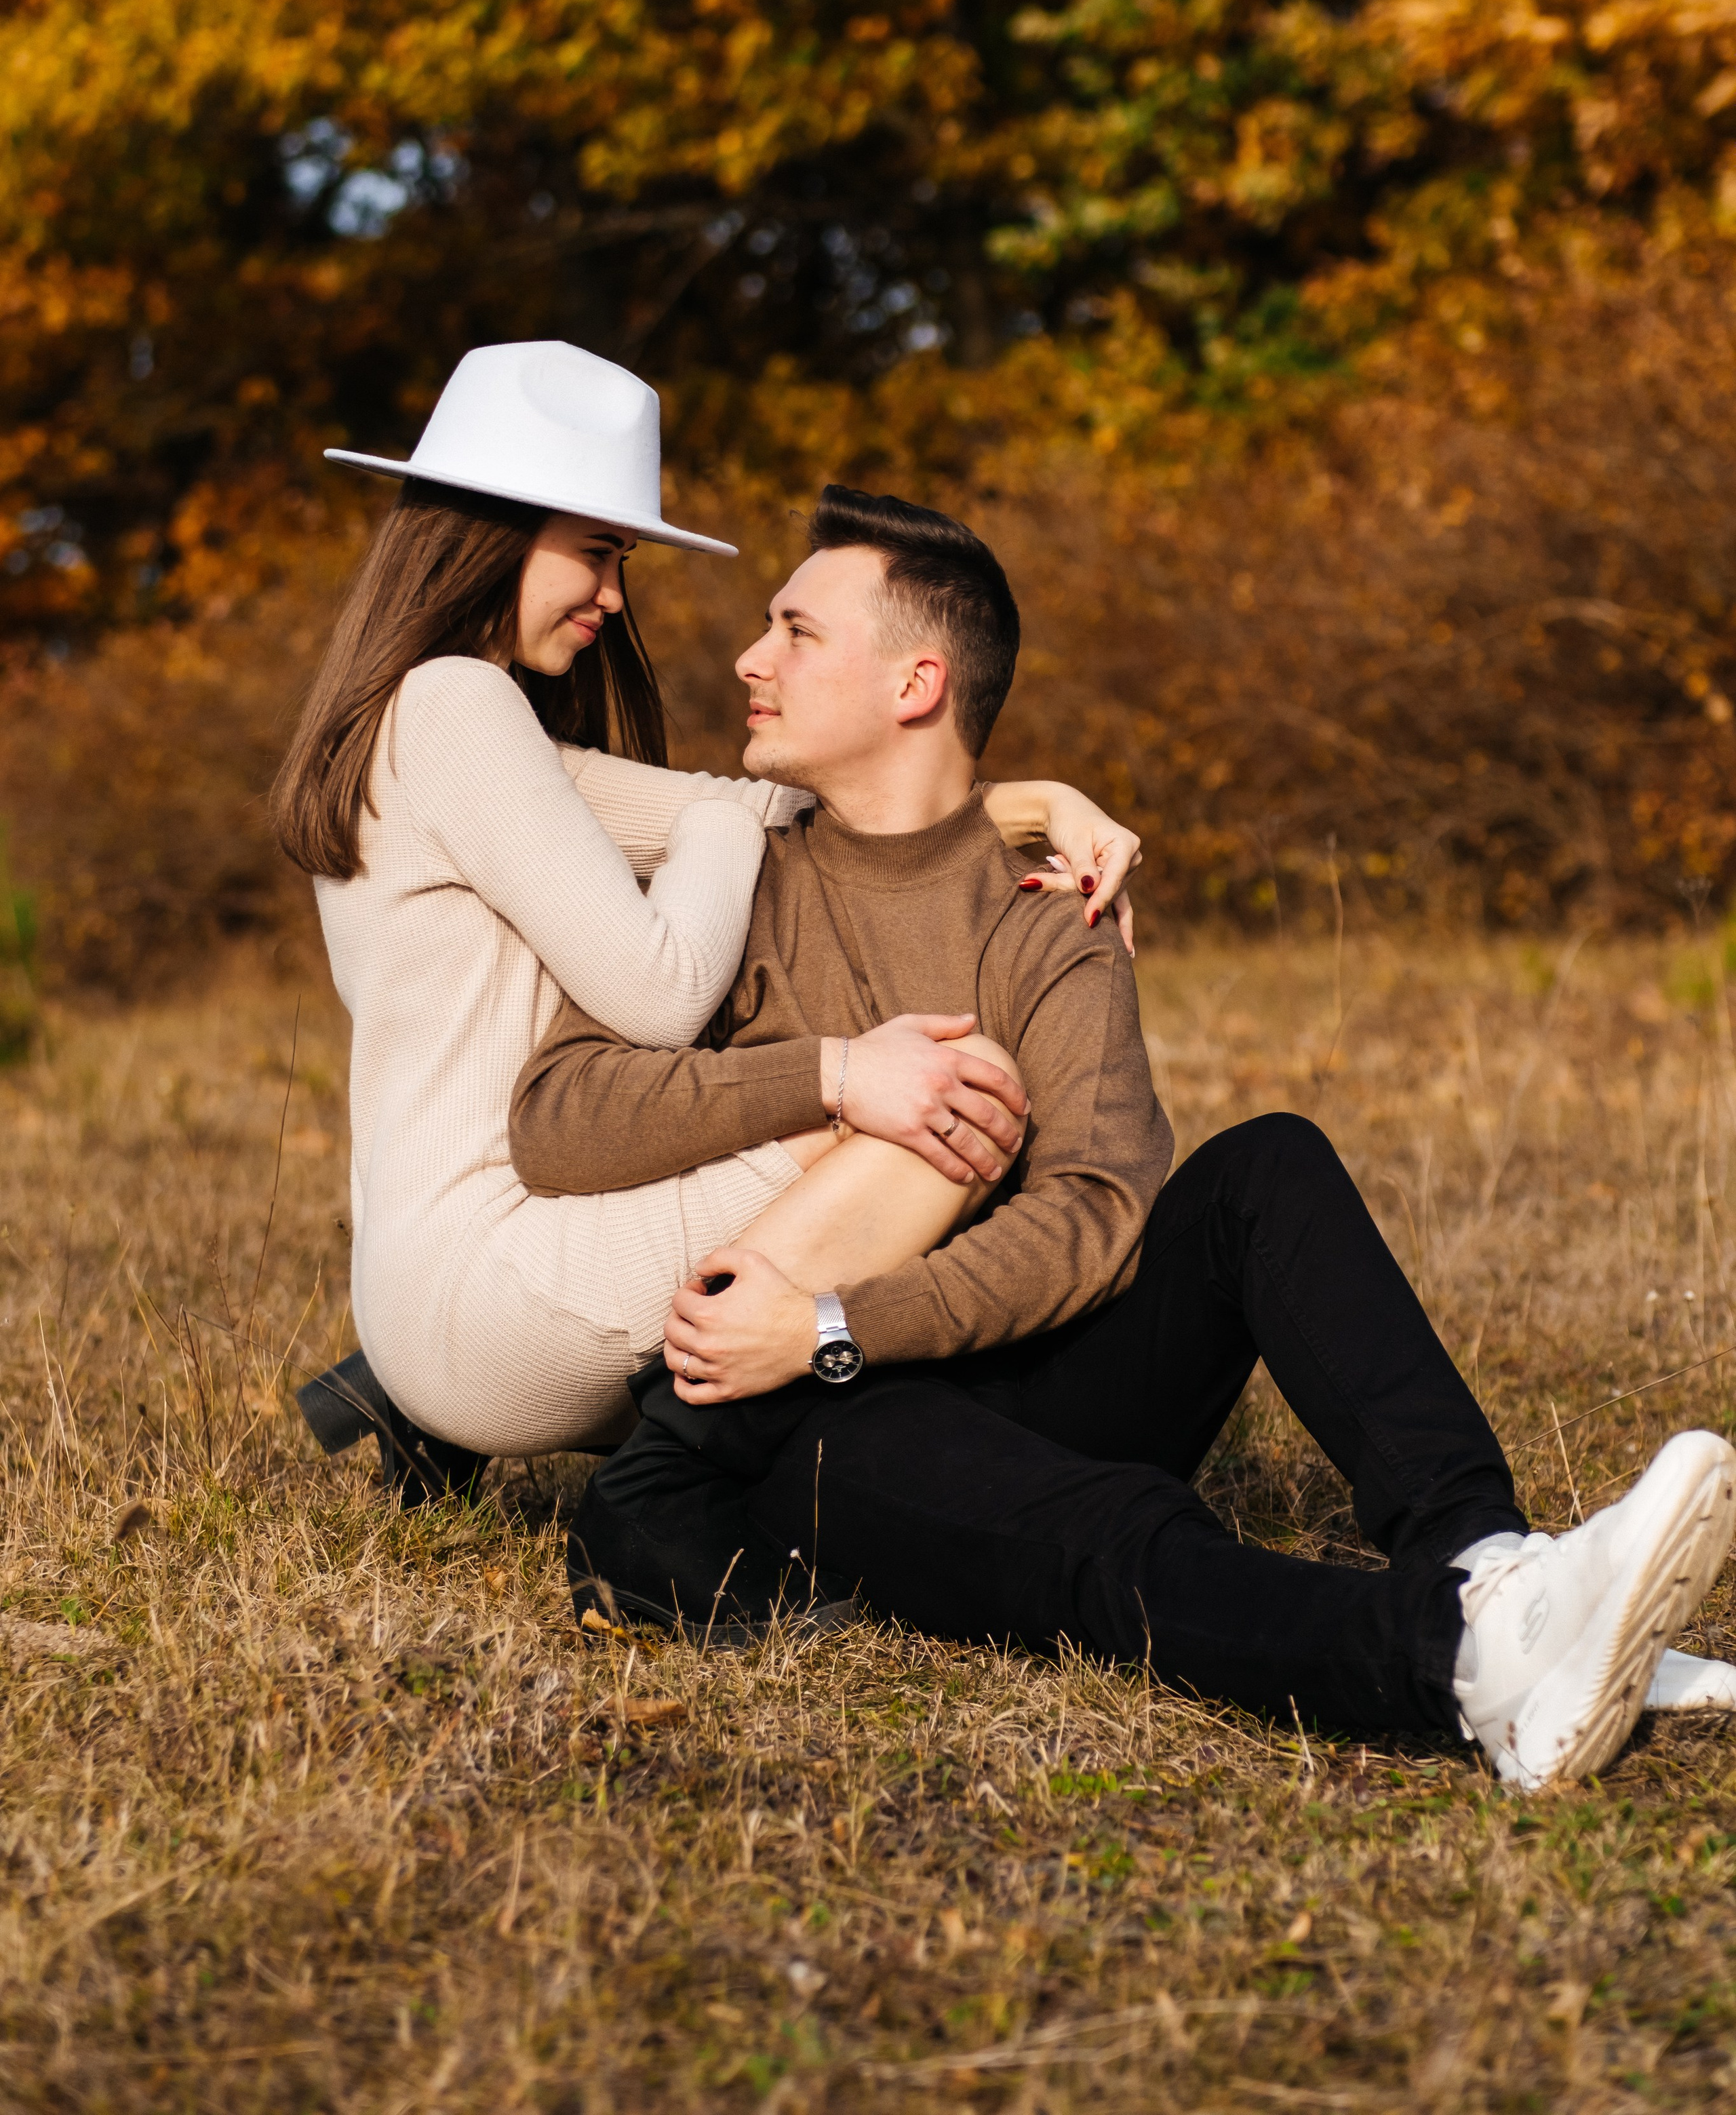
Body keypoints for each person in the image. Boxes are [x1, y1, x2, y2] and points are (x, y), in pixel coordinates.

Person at [510, 483, 1736, 1791]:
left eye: (796, 632)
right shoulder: (727, 884)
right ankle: (1463, 1667)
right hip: (823, 1432)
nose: (750, 659)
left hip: (925, 1351)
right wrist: (828, 1081)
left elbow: (1096, 1209)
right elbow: (559, 1118)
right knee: (1111, 1535)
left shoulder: (1044, 912)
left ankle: (1495, 1568)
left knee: (1268, 1164)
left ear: (917, 680)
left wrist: (835, 1314)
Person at [277, 338, 1141, 1495]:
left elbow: (771, 801)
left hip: (439, 1279)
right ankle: (680, 1511)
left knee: (907, 1099)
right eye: (596, 553)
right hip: (491, 1284)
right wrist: (841, 1070)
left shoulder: (427, 720)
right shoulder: (455, 706)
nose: (614, 595)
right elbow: (666, 983)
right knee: (948, 1104)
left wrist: (1029, 804)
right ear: (490, 529)